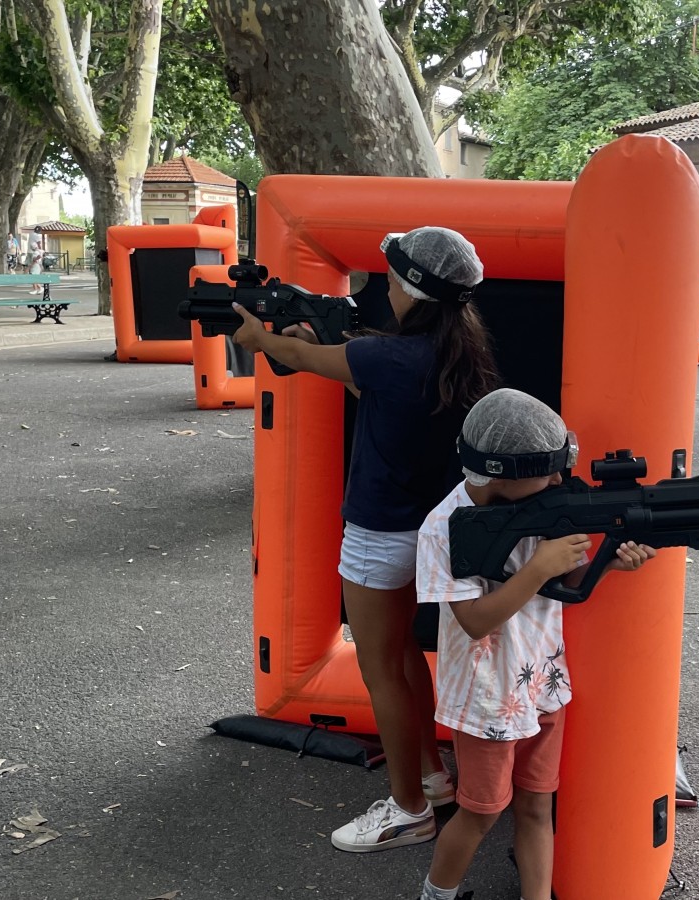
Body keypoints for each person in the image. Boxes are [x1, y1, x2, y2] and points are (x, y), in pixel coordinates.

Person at [227, 227, 501, 853]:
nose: (384, 286)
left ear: (411, 289)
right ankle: (432, 777)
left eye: (391, 277)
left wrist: (260, 338)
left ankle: (408, 809)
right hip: (428, 530)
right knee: (403, 656)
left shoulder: (386, 353)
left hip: (379, 533)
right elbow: (368, 387)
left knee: (382, 671)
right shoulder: (451, 348)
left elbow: (305, 361)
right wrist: (305, 342)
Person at [413, 388, 657, 900]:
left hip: (543, 684)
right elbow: (475, 621)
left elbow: (561, 588)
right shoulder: (443, 527)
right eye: (545, 472)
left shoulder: (541, 507)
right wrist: (540, 565)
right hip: (486, 698)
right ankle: (436, 894)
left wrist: (607, 563)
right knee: (481, 812)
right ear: (500, 473)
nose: (557, 482)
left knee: (537, 805)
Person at [27, 227, 46, 293]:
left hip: (33, 257)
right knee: (32, 274)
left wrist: (30, 266)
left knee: (33, 274)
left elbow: (36, 259)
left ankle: (36, 289)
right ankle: (38, 288)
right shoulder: (36, 236)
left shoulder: (31, 234)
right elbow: (39, 244)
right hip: (33, 257)